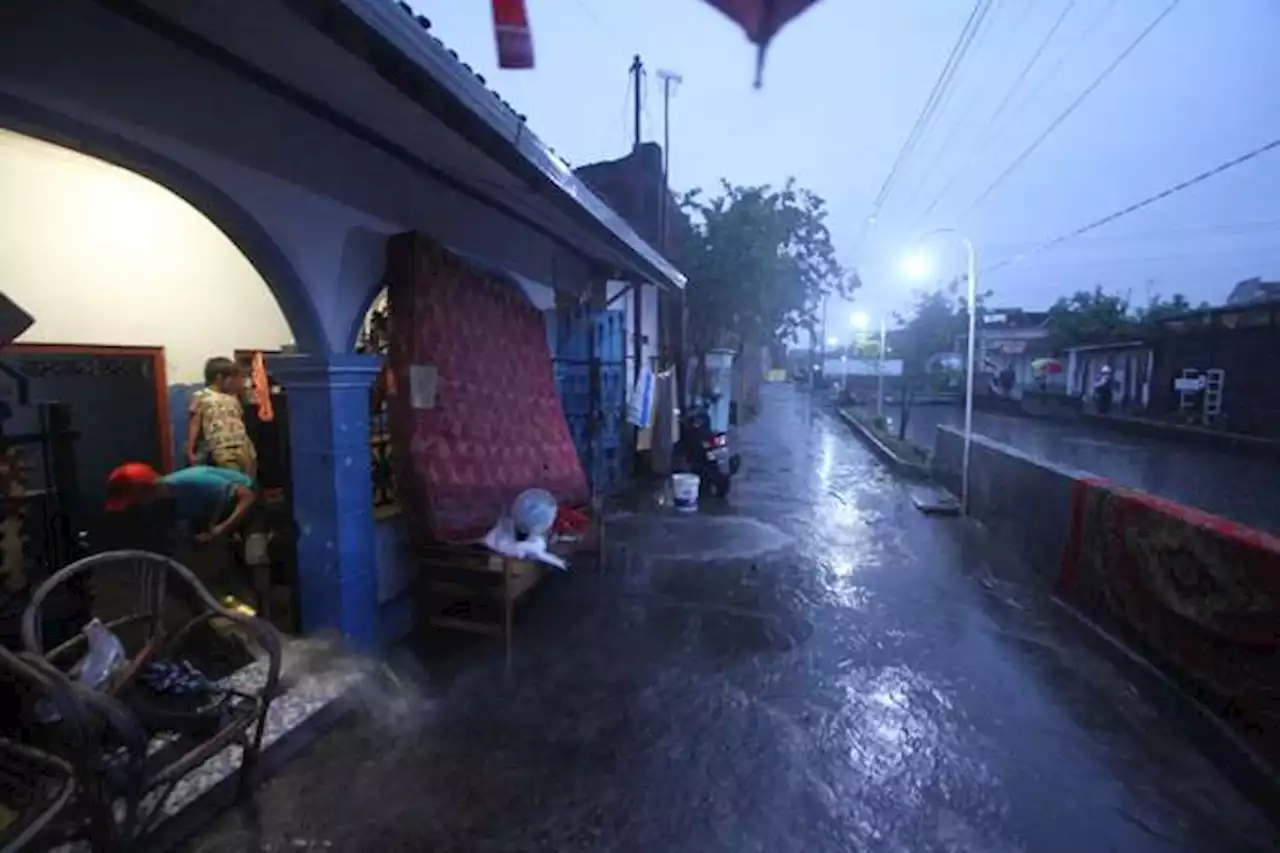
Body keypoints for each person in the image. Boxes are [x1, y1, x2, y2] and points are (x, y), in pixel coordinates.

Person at [105, 462, 256, 543]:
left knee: (255, 555)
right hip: (219, 511)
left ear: (147, 490)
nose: (138, 505)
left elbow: (247, 496)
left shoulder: (194, 480)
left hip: (250, 503)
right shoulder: (167, 503)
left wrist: (222, 528)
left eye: (135, 500)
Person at [187, 357, 257, 478]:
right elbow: (195, 423)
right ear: (219, 377)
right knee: (234, 481)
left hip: (243, 445)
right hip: (222, 448)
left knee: (249, 480)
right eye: (232, 378)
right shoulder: (202, 396)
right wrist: (190, 449)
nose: (235, 382)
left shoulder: (233, 396)